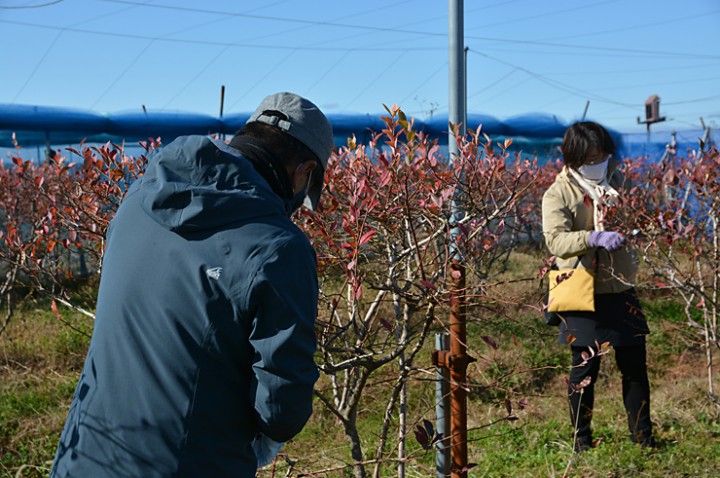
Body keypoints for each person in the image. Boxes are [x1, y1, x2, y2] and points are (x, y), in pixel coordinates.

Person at [50, 92, 334, 477]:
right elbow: (282, 408)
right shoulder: (278, 246)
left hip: (85, 456)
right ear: (304, 172)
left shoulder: (137, 199)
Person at [541, 121, 655, 453]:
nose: (598, 163)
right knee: (584, 368)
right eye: (591, 157)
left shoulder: (620, 183)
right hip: (578, 287)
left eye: (602, 155)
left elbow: (639, 216)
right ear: (574, 157)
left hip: (619, 287)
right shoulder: (559, 192)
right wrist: (592, 237)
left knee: (635, 365)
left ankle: (643, 438)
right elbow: (555, 240)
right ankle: (581, 441)